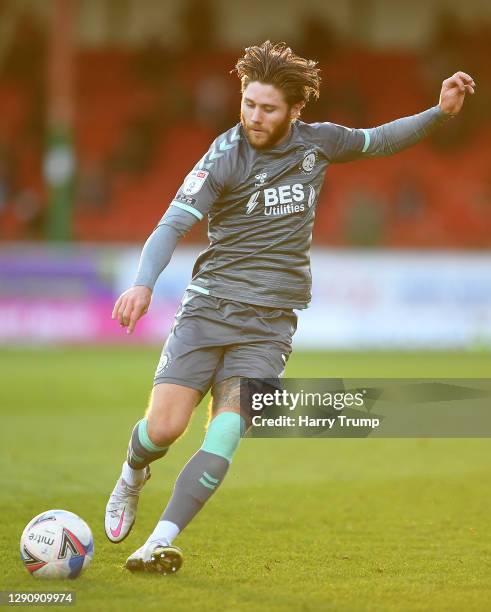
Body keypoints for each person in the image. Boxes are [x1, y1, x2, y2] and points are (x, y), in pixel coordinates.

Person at [104, 41, 475, 574]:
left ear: (295, 110)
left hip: (270, 325)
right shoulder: (224, 155)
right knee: (163, 428)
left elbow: (380, 140)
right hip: (209, 311)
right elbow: (171, 224)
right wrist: (143, 284)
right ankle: (132, 476)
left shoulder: (319, 144)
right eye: (249, 104)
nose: (255, 116)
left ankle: (158, 541)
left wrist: (439, 113)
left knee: (226, 432)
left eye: (268, 108)